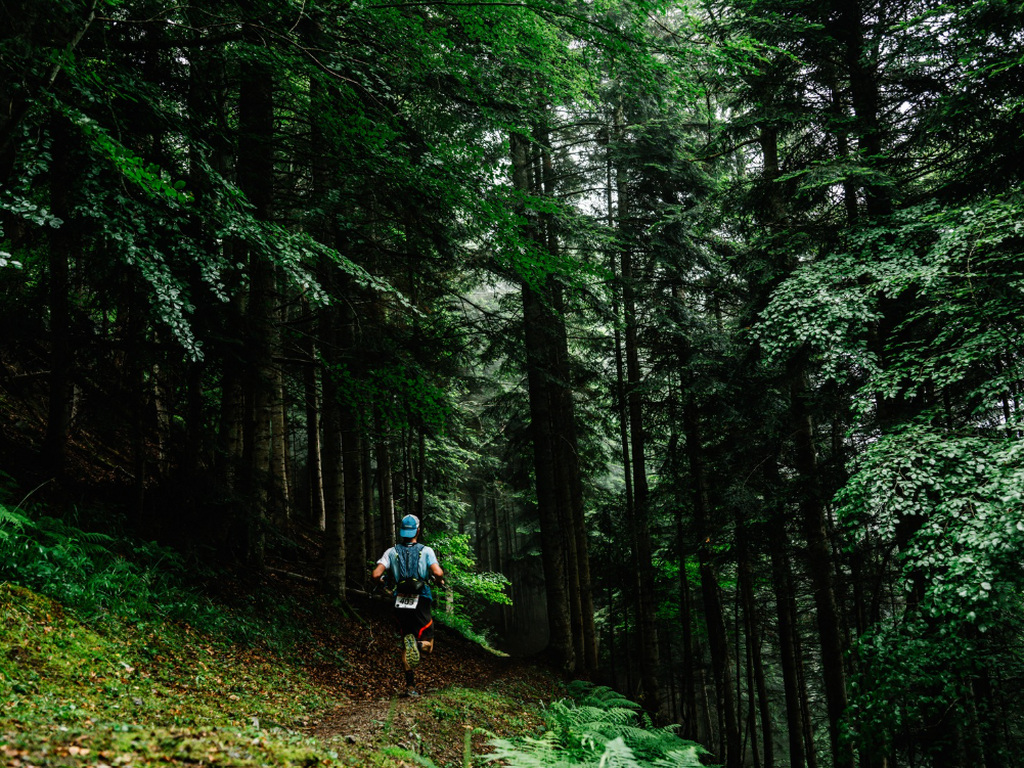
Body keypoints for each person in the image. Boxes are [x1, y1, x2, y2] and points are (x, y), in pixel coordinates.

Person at [371, 514, 444, 698]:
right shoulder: (426, 551)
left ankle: (410, 687)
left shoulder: (391, 552)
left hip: (400, 601)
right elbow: (438, 572)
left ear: (402, 532)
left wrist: (381, 581)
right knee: (428, 645)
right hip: (421, 599)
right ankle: (418, 646)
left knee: (406, 643)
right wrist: (439, 580)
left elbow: (375, 575)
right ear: (418, 531)